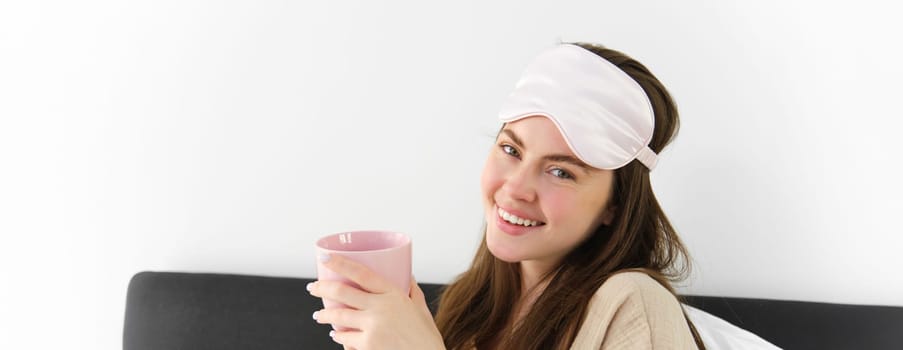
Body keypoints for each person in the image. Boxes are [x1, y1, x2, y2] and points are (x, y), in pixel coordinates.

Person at [307, 42, 705, 350]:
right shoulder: (474, 301)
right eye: (511, 150)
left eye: (561, 171)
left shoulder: (633, 304)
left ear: (614, 206)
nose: (515, 188)